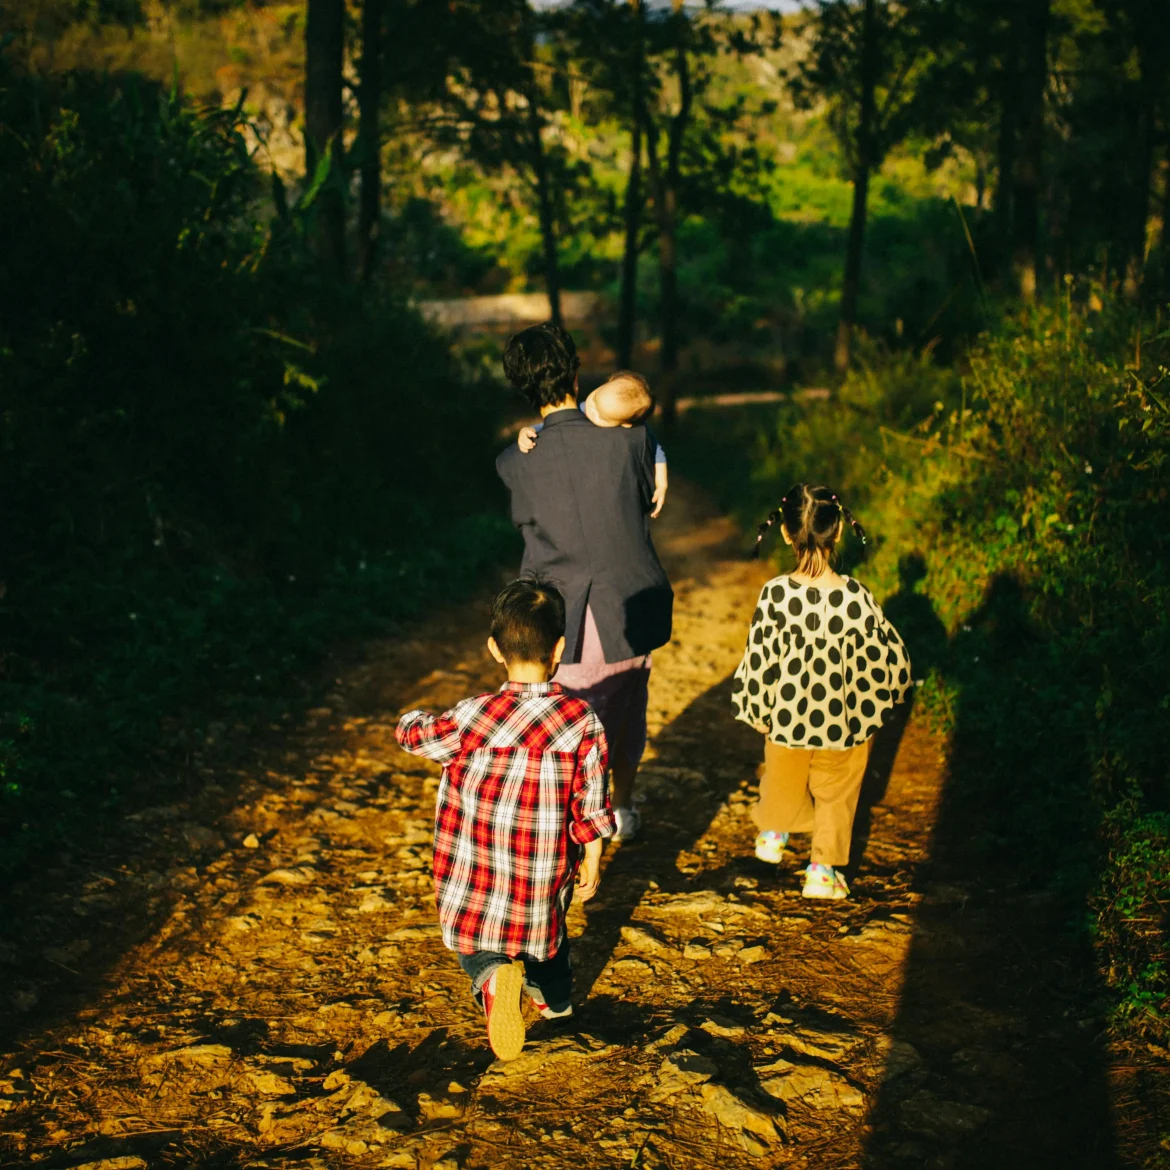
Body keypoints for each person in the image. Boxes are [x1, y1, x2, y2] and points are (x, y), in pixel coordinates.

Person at [395, 578, 614, 1062]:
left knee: (470, 936)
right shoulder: (582, 720)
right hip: (541, 877)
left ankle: (493, 975)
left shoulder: (473, 716)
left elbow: (414, 737)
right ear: (560, 648)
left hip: (473, 871)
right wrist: (593, 856)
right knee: (551, 939)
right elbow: (592, 801)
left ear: (494, 649)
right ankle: (555, 1006)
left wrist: (411, 716)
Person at [496, 323, 673, 843]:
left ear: (523, 387)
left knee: (566, 728)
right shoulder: (634, 442)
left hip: (558, 621)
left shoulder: (513, 462)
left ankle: (568, 819)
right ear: (576, 370)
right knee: (625, 714)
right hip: (629, 610)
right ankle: (621, 807)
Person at [731, 483, 912, 900]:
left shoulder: (775, 594)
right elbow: (889, 659)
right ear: (840, 532)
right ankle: (821, 870)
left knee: (782, 775)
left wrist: (758, 709)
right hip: (841, 722)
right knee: (836, 791)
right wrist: (879, 704)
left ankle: (774, 833)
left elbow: (760, 657)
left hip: (787, 718)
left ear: (784, 534)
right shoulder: (855, 597)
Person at [517, 369, 670, 517]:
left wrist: (661, 484)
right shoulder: (582, 410)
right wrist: (529, 430)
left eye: (601, 416)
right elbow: (555, 426)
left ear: (625, 424)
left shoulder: (638, 431)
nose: (591, 409)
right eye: (595, 397)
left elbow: (657, 452)